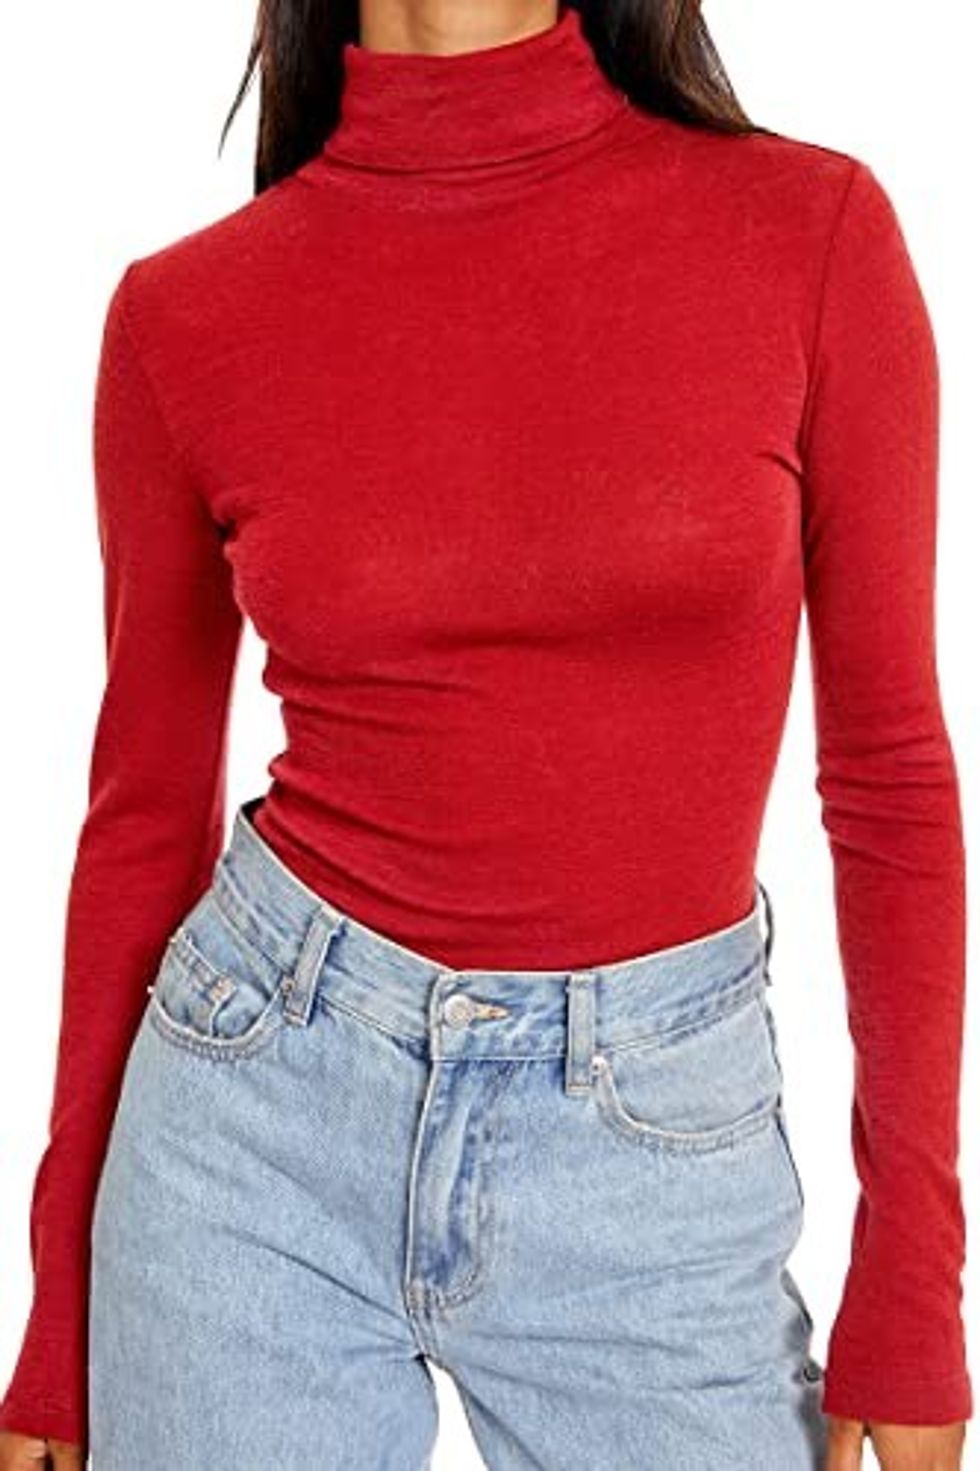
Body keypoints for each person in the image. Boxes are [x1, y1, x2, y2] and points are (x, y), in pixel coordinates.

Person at [0, 1, 971, 1467]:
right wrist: (57, 1318)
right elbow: (140, 818)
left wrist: (913, 1284)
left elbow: (890, 779)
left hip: (658, 1152)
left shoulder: (809, 236)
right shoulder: (184, 315)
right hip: (254, 1132)